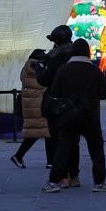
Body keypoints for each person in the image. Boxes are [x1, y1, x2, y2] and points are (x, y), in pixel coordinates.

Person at [42, 38, 106, 193]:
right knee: (96, 149)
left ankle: (54, 181)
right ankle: (99, 182)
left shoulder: (64, 69)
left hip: (69, 116)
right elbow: (103, 93)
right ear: (87, 52)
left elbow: (55, 92)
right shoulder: (94, 70)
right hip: (90, 115)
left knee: (63, 149)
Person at [35, 24, 76, 182]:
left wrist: (39, 69)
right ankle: (74, 175)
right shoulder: (75, 57)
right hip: (75, 103)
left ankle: (62, 175)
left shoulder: (56, 59)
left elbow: (45, 80)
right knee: (73, 141)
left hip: (58, 104)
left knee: (58, 141)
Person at [9, 49, 50, 169]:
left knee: (38, 131)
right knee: (46, 132)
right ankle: (50, 162)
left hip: (29, 104)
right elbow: (44, 83)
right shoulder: (39, 69)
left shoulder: (25, 69)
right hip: (40, 104)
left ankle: (19, 156)